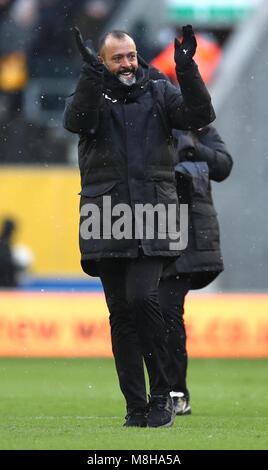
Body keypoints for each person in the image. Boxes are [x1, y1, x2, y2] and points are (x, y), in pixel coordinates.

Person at [63, 25, 215, 427]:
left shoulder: (161, 90)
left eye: (131, 55)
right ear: (103, 62)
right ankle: (135, 406)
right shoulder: (93, 93)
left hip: (154, 217)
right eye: (117, 58)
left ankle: (162, 396)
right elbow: (76, 120)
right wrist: (89, 76)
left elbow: (200, 115)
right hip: (107, 219)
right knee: (120, 315)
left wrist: (187, 70)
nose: (128, 64)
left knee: (143, 301)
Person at [158, 125, 233, 416]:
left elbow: (224, 165)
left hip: (186, 239)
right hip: (153, 228)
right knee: (154, 313)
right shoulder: (151, 124)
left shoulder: (198, 129)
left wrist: (193, 148)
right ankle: (166, 391)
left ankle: (174, 392)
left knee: (167, 313)